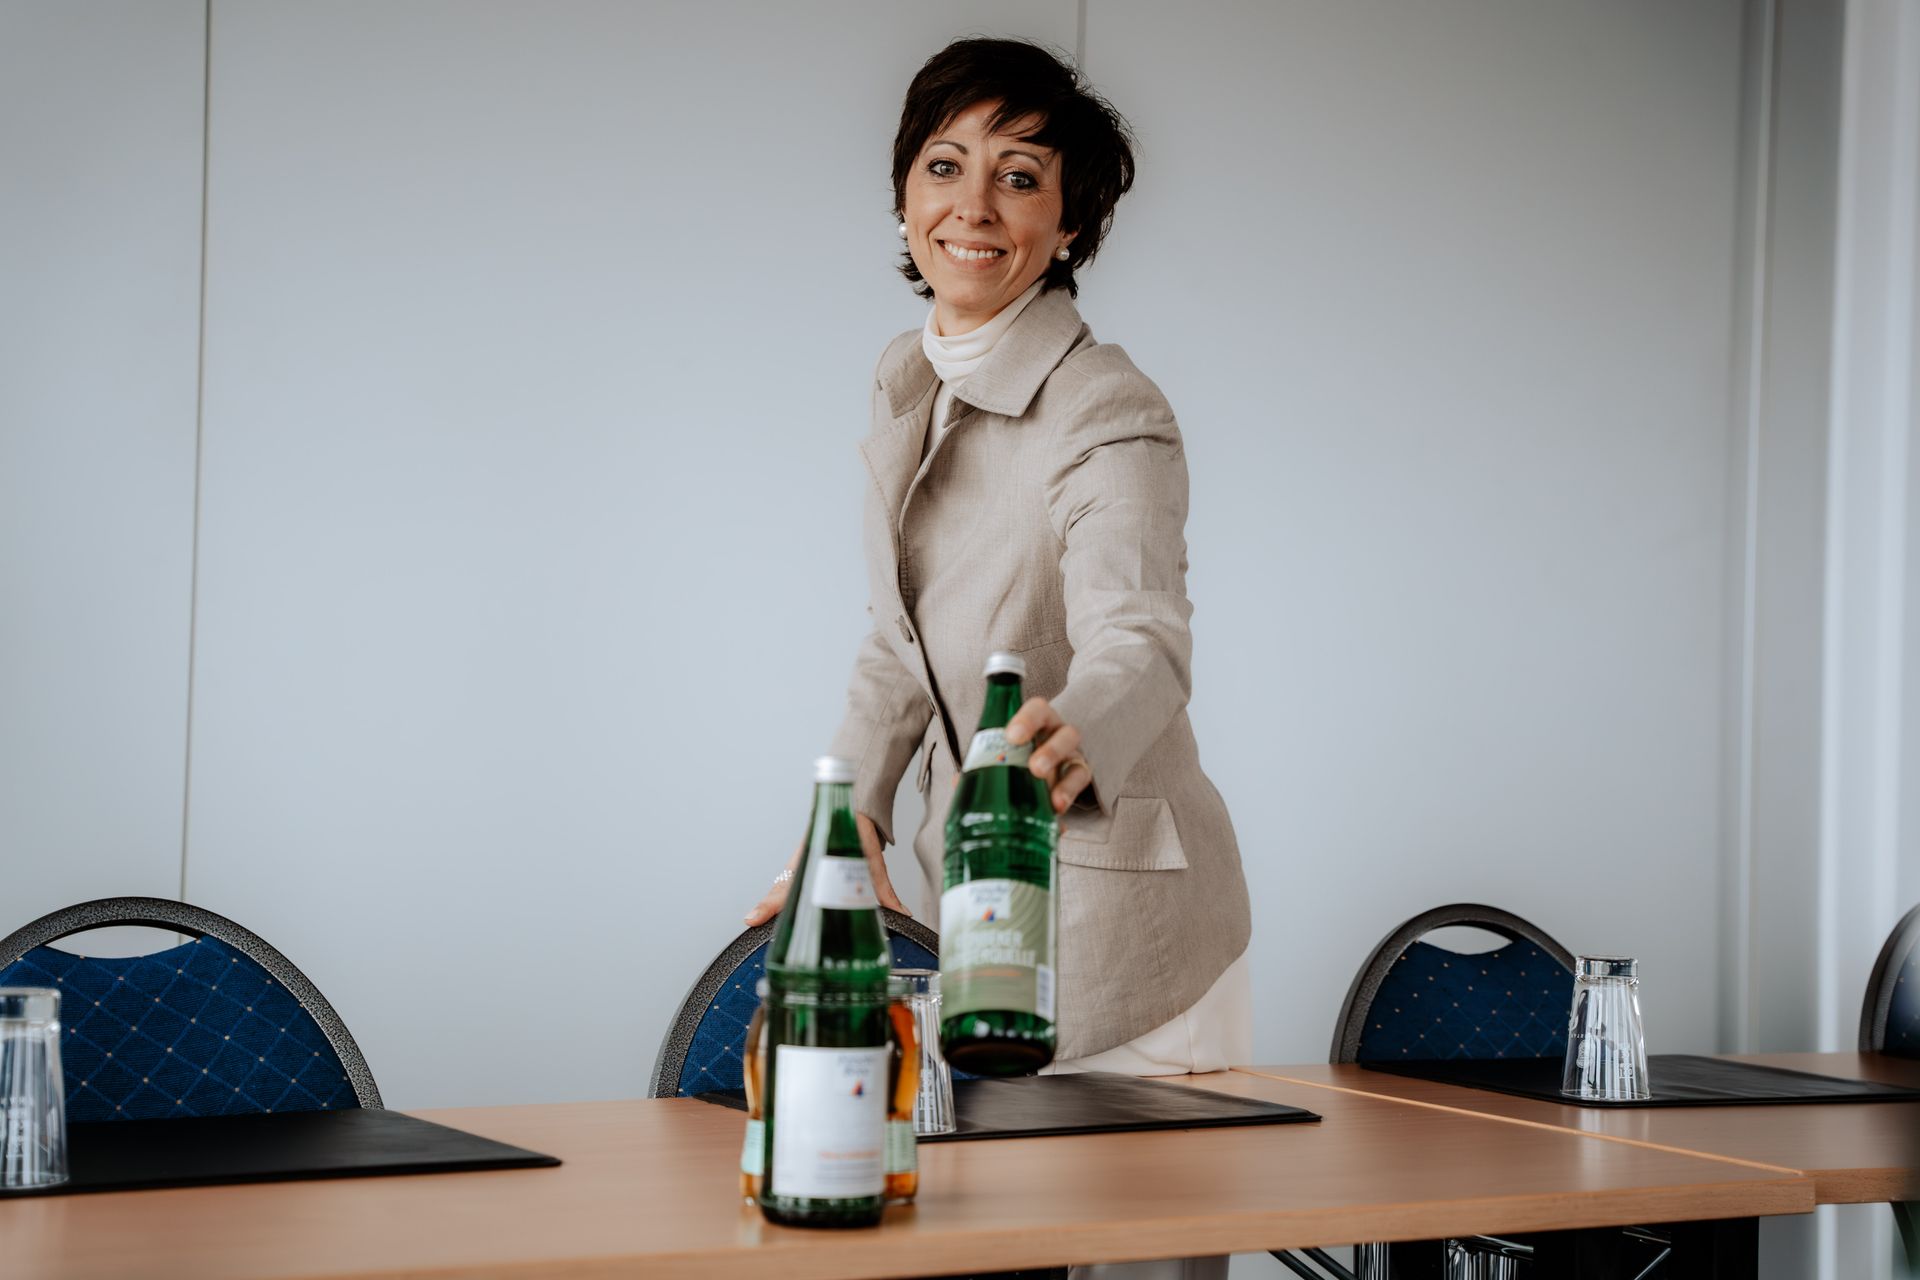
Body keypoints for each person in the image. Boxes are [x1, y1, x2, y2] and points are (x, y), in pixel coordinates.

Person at [746, 35, 1251, 1088]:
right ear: (903, 192)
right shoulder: (909, 381)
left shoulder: (1105, 405)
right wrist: (848, 822)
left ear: (1067, 226)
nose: (973, 205)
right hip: (971, 923)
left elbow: (1143, 636)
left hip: (1124, 945)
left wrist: (1065, 736)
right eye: (946, 164)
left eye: (1018, 178)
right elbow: (899, 641)